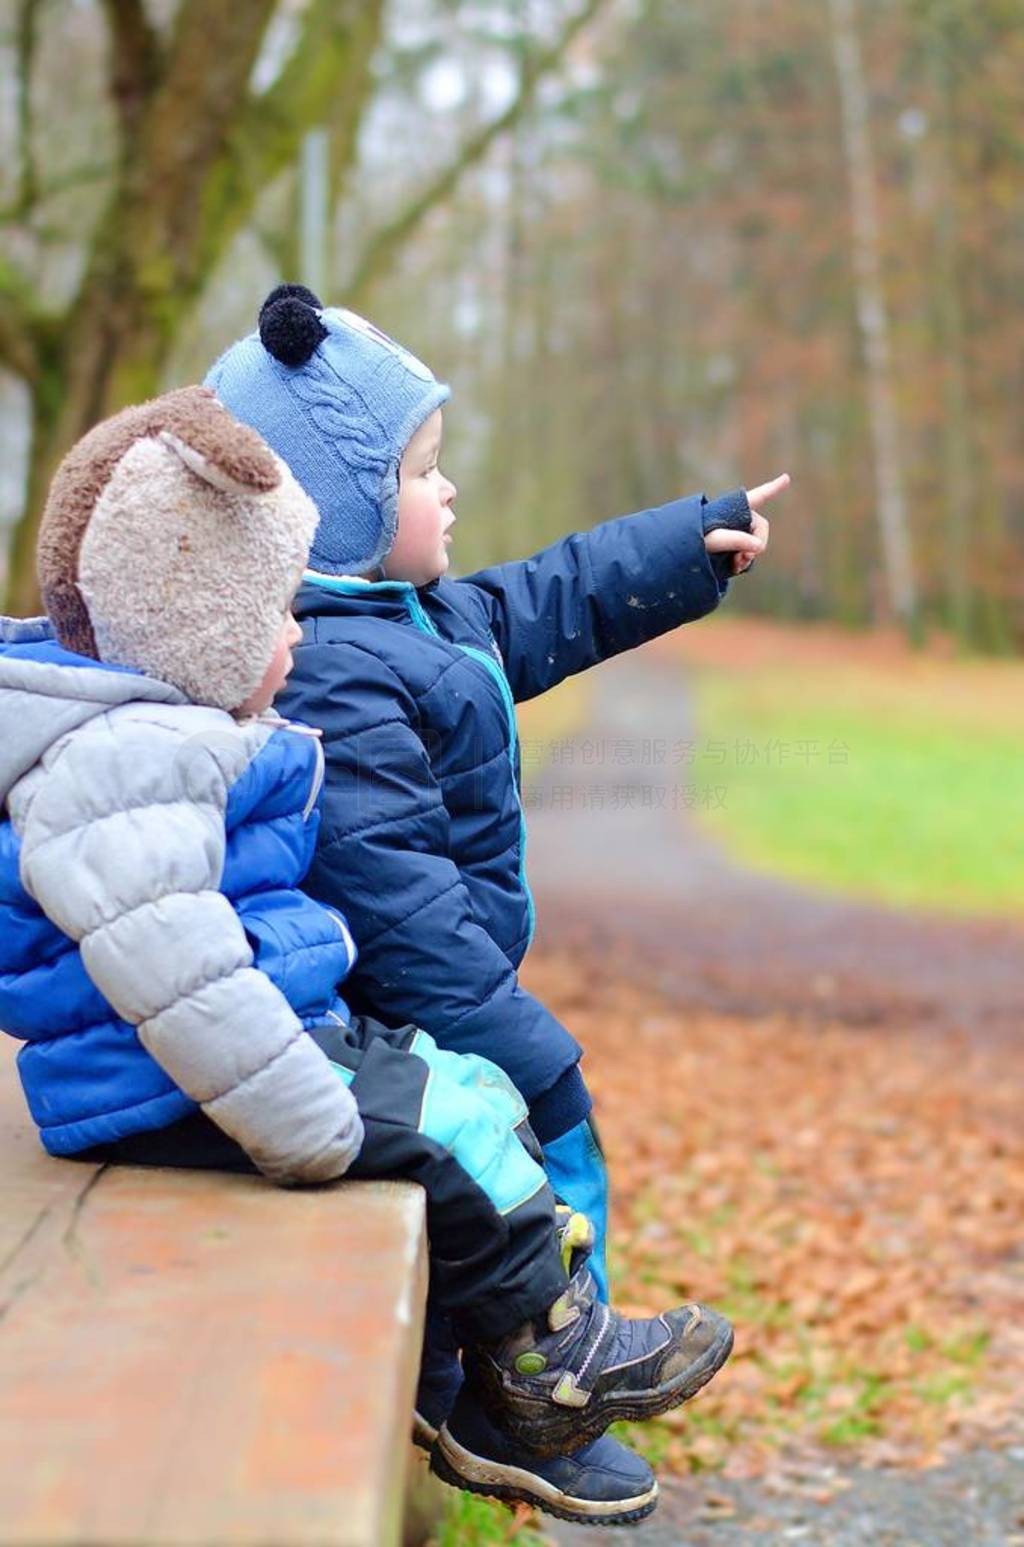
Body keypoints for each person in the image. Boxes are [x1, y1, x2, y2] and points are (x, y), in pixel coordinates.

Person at [0, 387, 734, 1527]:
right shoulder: (127, 766)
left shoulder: (164, 736)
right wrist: (303, 1105)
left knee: (472, 1090)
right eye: (274, 615)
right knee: (448, 1127)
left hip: (236, 1049)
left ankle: (521, 1367)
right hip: (176, 1081)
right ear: (212, 632)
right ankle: (549, 1365)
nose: (299, 631)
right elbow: (176, 973)